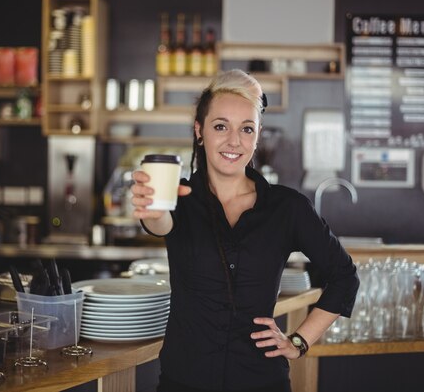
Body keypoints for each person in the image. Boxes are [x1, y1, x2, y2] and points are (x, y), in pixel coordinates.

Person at [131, 69, 359, 392]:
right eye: (221, 126)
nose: (234, 141)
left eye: (246, 129)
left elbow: (345, 276)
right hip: (184, 382)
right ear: (200, 130)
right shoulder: (177, 197)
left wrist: (299, 341)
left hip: (261, 381)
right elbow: (160, 222)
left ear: (257, 135)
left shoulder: (287, 208)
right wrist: (152, 209)